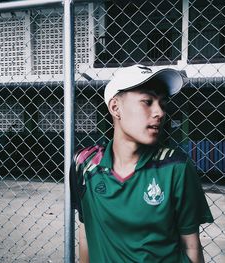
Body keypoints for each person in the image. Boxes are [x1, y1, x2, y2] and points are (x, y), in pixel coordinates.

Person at [70, 64, 214, 263]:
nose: (160, 112)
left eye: (162, 103)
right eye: (147, 101)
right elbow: (86, 230)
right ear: (115, 107)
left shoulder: (176, 167)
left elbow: (191, 245)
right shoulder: (84, 164)